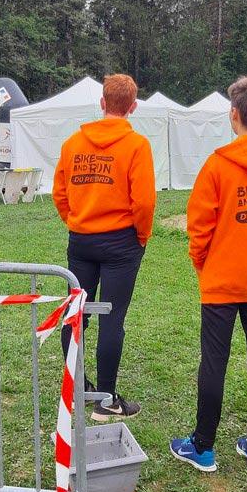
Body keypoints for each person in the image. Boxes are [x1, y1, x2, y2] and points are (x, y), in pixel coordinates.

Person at [170, 75, 247, 474]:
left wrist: (203, 263)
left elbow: (199, 225)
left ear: (234, 114)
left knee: (214, 362)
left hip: (221, 280)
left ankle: (203, 446)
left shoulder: (218, 165)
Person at [53, 73, 156, 422]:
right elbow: (143, 201)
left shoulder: (72, 144)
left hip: (81, 240)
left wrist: (75, 220)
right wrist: (141, 235)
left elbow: (60, 192)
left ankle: (79, 386)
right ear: (133, 106)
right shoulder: (137, 145)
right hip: (120, 242)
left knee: (76, 316)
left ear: (102, 103)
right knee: (112, 319)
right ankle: (106, 400)